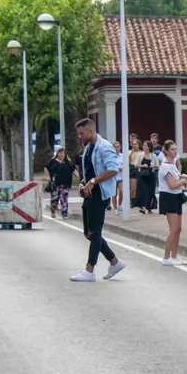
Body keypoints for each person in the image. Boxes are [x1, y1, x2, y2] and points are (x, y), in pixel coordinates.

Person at [70, 119, 126, 283]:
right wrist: (83, 183)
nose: (80, 137)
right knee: (88, 233)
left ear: (91, 131)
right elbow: (88, 170)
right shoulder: (87, 148)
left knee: (95, 232)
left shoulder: (104, 146)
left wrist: (93, 182)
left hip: (100, 193)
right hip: (89, 193)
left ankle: (89, 270)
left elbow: (113, 169)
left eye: (81, 133)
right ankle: (114, 262)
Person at [156, 140, 187, 265]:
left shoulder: (172, 165)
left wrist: (182, 177)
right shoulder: (165, 166)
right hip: (169, 197)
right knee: (173, 229)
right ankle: (166, 257)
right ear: (166, 151)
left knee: (178, 229)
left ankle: (174, 256)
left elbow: (176, 180)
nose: (175, 151)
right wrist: (181, 182)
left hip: (176, 196)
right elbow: (171, 185)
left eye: (176, 149)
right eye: (172, 149)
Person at [46, 147, 74, 219]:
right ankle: (53, 209)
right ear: (57, 153)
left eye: (63, 153)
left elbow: (73, 170)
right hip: (56, 184)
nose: (62, 154)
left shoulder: (68, 162)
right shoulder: (53, 161)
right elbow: (46, 168)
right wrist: (48, 177)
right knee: (54, 199)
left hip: (66, 184)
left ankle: (64, 213)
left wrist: (80, 178)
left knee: (64, 199)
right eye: (60, 153)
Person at [134, 141, 157, 214]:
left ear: (149, 147)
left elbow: (157, 165)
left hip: (151, 175)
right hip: (142, 175)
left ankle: (149, 207)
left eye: (146, 146)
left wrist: (153, 166)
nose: (144, 147)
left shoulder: (153, 155)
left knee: (151, 191)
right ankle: (143, 207)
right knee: (143, 191)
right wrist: (142, 166)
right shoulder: (140, 155)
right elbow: (136, 165)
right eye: (143, 145)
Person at [127, 138, 143, 204]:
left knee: (139, 187)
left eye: (136, 144)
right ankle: (132, 201)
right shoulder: (129, 152)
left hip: (140, 169)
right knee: (133, 187)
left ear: (139, 145)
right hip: (132, 169)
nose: (134, 145)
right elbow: (127, 160)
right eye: (133, 144)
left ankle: (139, 201)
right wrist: (131, 152)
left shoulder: (142, 152)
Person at [111, 140, 124, 211]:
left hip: (120, 176)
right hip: (113, 176)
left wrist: (122, 168)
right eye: (115, 147)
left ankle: (119, 205)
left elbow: (125, 165)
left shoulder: (122, 156)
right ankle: (115, 207)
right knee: (114, 193)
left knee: (121, 191)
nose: (116, 148)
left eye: (118, 147)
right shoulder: (111, 156)